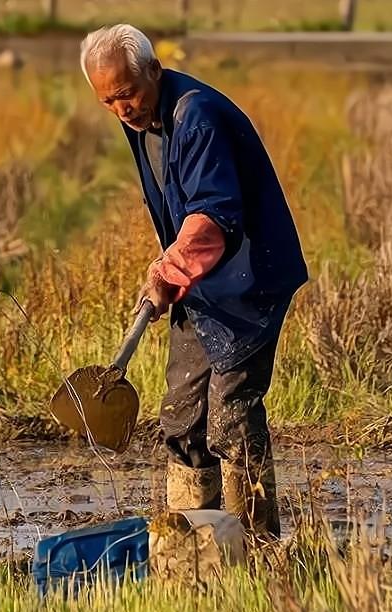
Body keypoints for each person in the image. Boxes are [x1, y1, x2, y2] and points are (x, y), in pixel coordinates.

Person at [80, 24, 308, 538]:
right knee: (182, 420)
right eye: (108, 101)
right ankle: (191, 546)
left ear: (154, 71)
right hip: (200, 282)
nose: (122, 110)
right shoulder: (143, 119)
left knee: (230, 416)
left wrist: (167, 271)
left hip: (248, 280)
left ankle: (254, 544)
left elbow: (214, 216)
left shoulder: (197, 117)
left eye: (127, 93)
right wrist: (174, 269)